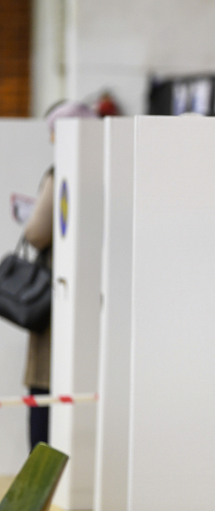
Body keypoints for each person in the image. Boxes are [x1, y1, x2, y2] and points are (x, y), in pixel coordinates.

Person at [22, 100, 97, 451]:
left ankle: (41, 477)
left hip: (55, 297)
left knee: (43, 386)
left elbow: (37, 233)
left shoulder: (60, 172)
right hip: (93, 293)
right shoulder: (107, 166)